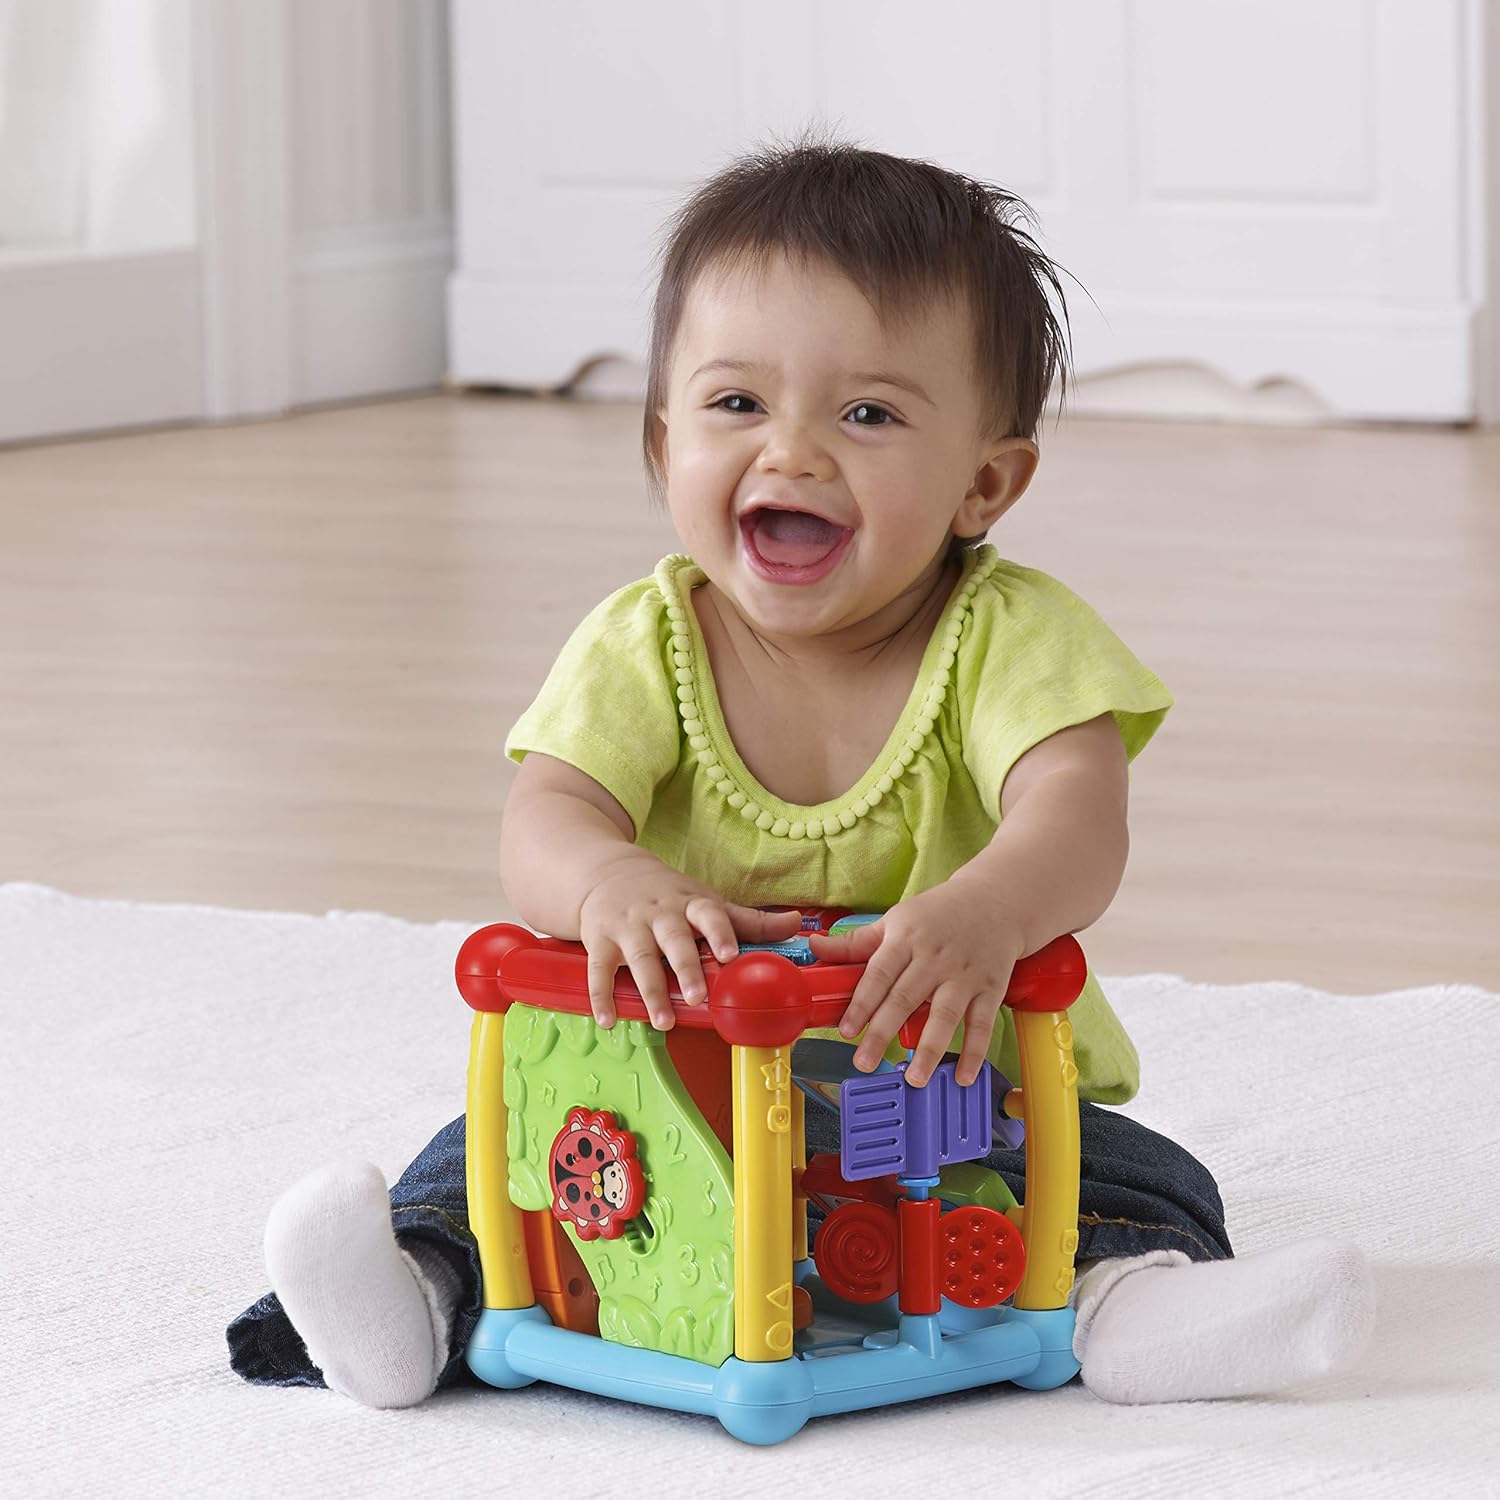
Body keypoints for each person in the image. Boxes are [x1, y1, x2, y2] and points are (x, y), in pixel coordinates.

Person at [228, 132, 1373, 1410]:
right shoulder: (643, 644)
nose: (792, 453)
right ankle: (414, 1300)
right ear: (665, 447)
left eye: (869, 414)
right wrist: (610, 882)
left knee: (1131, 1173)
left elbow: (1079, 811)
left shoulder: (1010, 639)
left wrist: (987, 911)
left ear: (984, 483)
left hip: (957, 1090)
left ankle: (1128, 1306)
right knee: (498, 1156)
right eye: (736, 405)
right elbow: (548, 811)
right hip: (682, 1087)